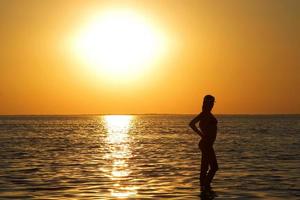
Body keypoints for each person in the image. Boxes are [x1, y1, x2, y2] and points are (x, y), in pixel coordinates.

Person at [189, 95, 218, 191]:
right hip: (206, 144)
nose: (212, 104)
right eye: (210, 102)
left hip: (208, 144)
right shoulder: (204, 113)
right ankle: (206, 186)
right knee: (214, 167)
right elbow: (191, 124)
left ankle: (204, 188)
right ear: (206, 103)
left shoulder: (207, 113)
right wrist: (201, 135)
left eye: (213, 102)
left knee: (205, 167)